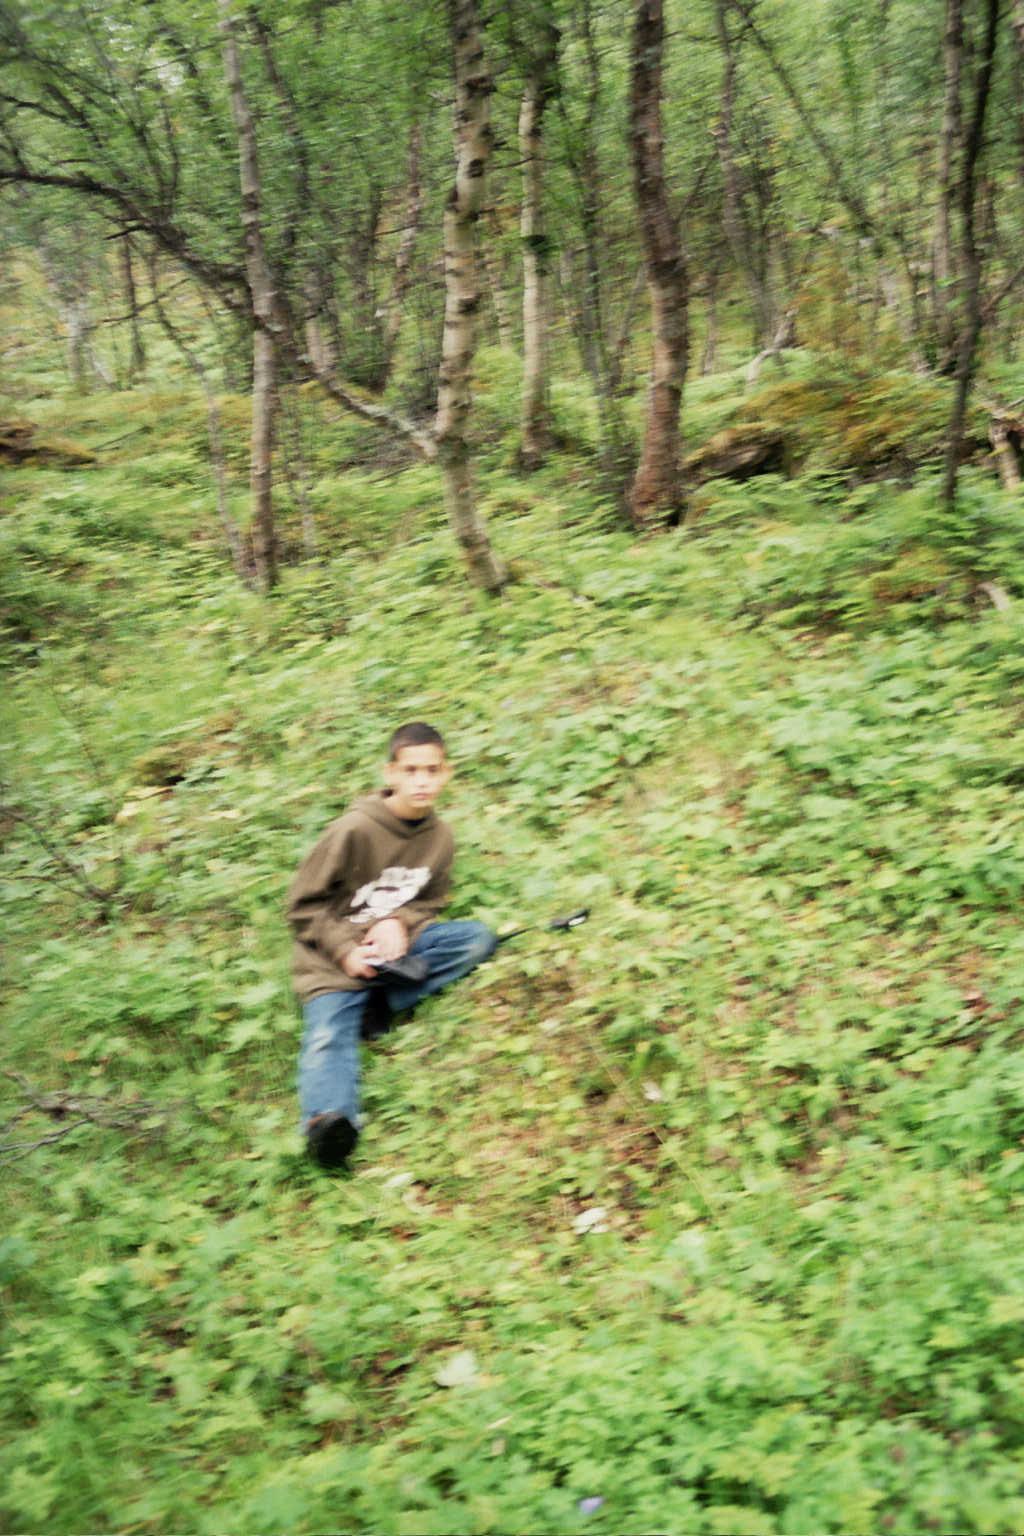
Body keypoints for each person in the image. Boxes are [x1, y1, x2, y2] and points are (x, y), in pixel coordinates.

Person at [287, 722, 496, 1169]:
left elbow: (431, 900)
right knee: (328, 1037)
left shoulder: (440, 838)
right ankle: (329, 1122)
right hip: (332, 962)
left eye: (432, 770)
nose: (421, 781)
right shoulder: (353, 830)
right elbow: (302, 907)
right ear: (390, 774)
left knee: (476, 940)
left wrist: (396, 921)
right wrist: (346, 951)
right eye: (411, 770)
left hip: (394, 953)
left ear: (447, 774)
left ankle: (378, 1002)